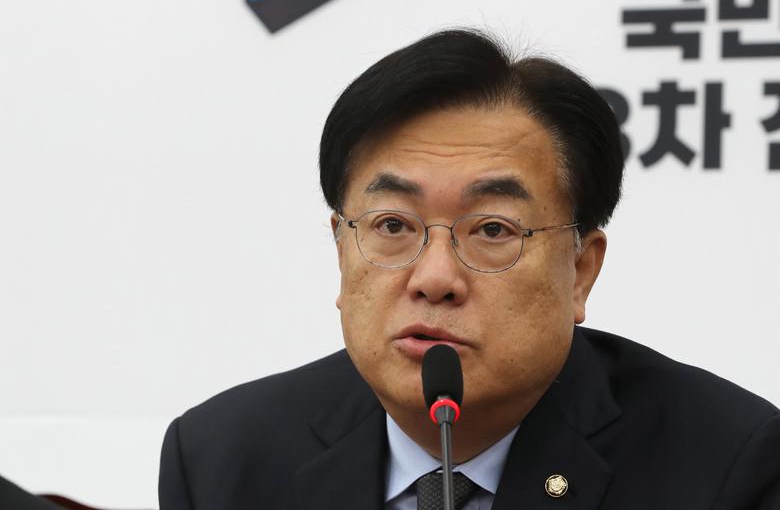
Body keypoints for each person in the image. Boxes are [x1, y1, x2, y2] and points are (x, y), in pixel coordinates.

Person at [158, 29, 780, 510]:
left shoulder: (727, 466)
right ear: (342, 248)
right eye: (392, 226)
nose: (434, 279)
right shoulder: (221, 460)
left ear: (580, 271)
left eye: (492, 231)